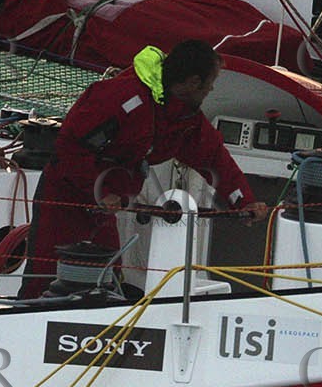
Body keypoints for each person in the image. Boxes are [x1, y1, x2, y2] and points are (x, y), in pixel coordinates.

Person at [23, 40, 270, 297]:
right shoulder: (120, 96)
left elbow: (215, 159)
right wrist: (100, 190)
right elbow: (69, 147)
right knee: (44, 277)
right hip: (64, 198)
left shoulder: (184, 117)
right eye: (210, 83)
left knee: (107, 282)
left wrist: (243, 202)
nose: (211, 89)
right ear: (193, 83)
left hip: (104, 209)